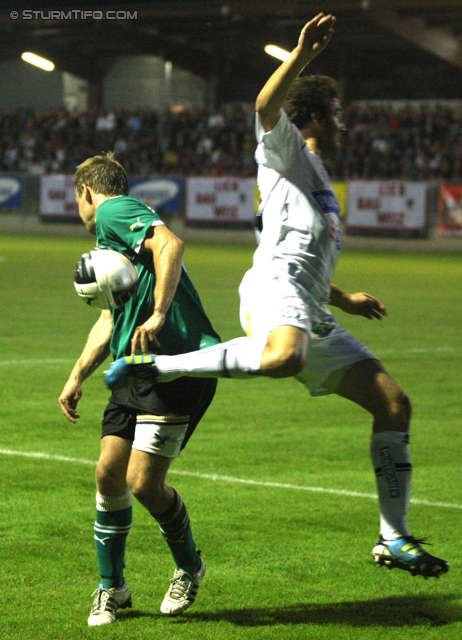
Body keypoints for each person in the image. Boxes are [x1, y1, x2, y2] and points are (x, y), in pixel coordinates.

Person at [105, 14, 449, 578]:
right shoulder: (288, 149)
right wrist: (300, 56)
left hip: (308, 306)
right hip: (273, 290)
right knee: (283, 357)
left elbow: (296, 248)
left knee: (393, 404)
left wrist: (343, 299)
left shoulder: (316, 181)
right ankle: (161, 366)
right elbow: (265, 108)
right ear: (314, 116)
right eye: (334, 113)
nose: (341, 123)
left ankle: (394, 536)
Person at [59, 153, 221, 626]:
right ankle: (113, 588)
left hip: (176, 365)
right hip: (135, 370)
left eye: (78, 202)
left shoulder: (112, 212)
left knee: (142, 482)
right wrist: (77, 375)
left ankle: (190, 567)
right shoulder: (116, 242)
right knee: (109, 473)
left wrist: (159, 313)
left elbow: (171, 244)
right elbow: (111, 319)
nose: (81, 214)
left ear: (86, 192)